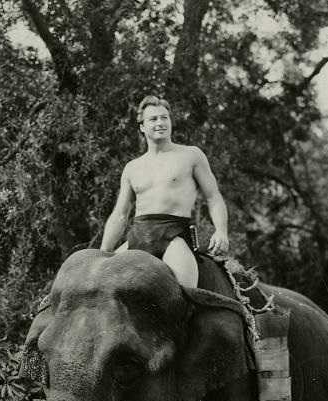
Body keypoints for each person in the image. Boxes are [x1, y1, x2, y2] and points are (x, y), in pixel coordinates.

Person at [99, 95, 230, 288]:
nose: (160, 123)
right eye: (153, 119)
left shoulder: (190, 155)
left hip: (173, 235)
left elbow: (213, 196)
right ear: (142, 126)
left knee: (184, 292)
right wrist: (103, 252)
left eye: (164, 118)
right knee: (100, 286)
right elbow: (120, 214)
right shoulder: (132, 167)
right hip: (138, 236)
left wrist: (221, 231)